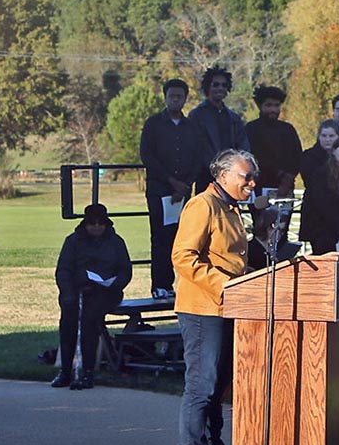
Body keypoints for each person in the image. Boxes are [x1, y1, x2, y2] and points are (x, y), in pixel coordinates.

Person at [172, 148, 257, 445]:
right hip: (203, 309)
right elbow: (183, 257)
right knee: (201, 388)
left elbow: (233, 259)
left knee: (219, 389)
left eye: (253, 178)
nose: (251, 184)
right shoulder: (202, 205)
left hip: (228, 309)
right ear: (222, 175)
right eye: (245, 177)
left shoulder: (232, 209)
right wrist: (225, 284)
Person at [52, 204, 132, 391]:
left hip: (105, 291)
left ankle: (88, 371)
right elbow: (63, 270)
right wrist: (68, 292)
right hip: (78, 289)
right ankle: (65, 371)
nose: (96, 227)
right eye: (92, 224)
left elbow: (125, 270)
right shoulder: (73, 241)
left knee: (89, 320)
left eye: (100, 224)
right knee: (68, 321)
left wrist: (115, 284)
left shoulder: (115, 242)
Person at [139, 78, 202, 299]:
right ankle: (160, 284)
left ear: (185, 98)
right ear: (165, 97)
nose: (175, 100)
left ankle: (183, 284)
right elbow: (147, 156)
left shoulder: (192, 127)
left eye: (179, 96)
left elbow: (198, 157)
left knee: (183, 238)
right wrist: (170, 181)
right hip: (159, 190)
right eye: (171, 96)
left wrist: (185, 185)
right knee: (160, 237)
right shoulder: (153, 124)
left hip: (183, 191)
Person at [188, 67, 247, 192]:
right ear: (208, 87)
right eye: (215, 84)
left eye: (224, 85)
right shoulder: (196, 115)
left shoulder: (233, 118)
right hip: (205, 176)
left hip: (230, 176)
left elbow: (242, 146)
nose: (220, 88)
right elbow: (194, 148)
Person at [243, 85, 303, 199]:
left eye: (276, 105)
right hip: (258, 186)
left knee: (283, 216)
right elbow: (248, 158)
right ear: (260, 106)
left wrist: (288, 179)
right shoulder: (250, 129)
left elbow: (297, 157)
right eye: (269, 105)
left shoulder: (288, 130)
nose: (273, 110)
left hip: (285, 187)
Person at [299, 119, 339, 189]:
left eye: (331, 136)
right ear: (319, 137)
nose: (327, 140)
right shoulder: (308, 156)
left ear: (338, 136)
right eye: (324, 136)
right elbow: (311, 180)